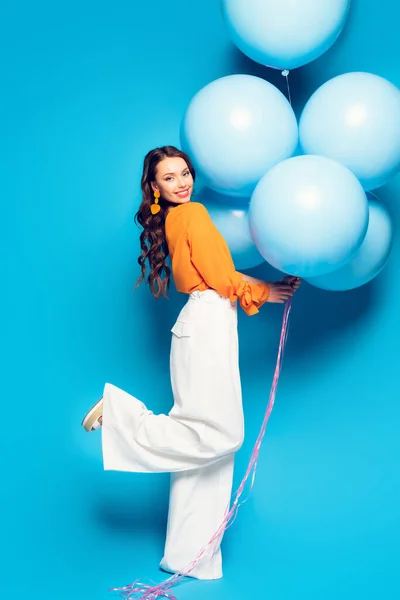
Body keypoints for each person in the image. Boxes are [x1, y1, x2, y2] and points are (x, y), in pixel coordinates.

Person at [81, 145, 300, 580]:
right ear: (155, 188)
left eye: (184, 173)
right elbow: (220, 279)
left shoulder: (176, 218)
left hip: (205, 323)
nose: (181, 183)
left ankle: (190, 557)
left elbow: (213, 275)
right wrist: (265, 291)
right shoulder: (193, 214)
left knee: (206, 456)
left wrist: (261, 288)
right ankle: (121, 414)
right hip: (206, 324)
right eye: (169, 177)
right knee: (220, 434)